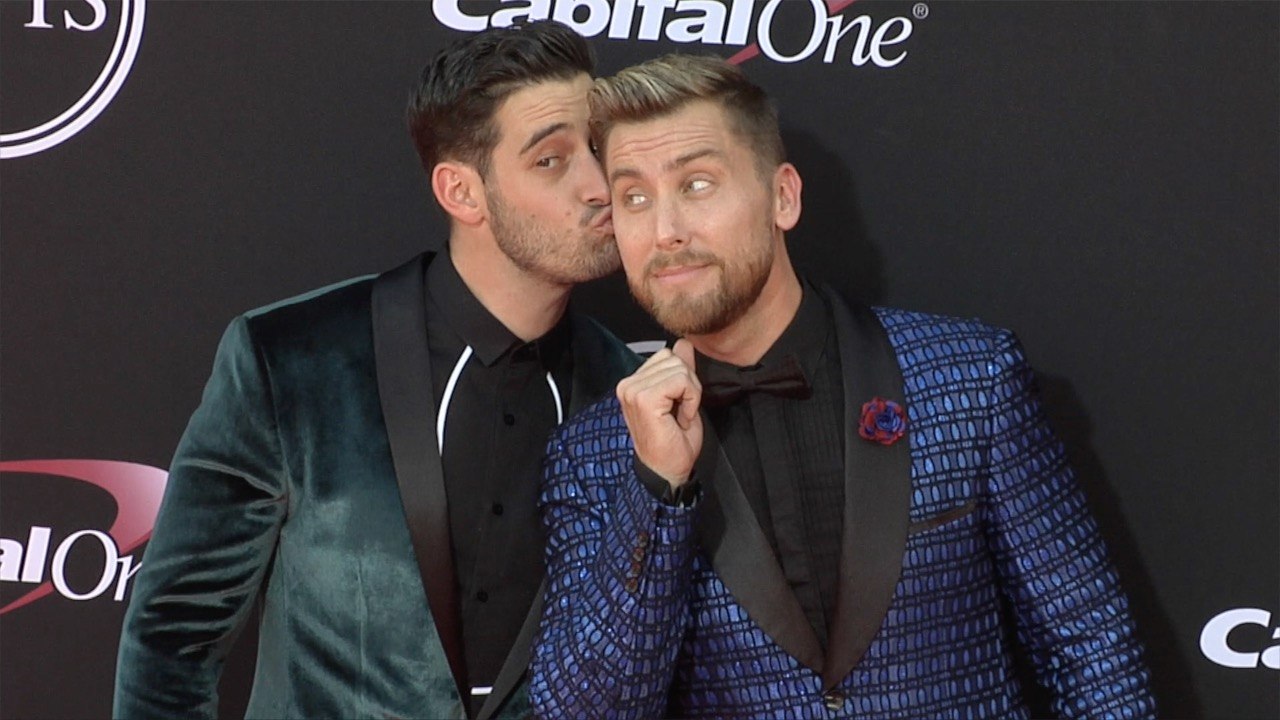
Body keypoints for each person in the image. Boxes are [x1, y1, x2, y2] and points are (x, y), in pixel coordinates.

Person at [530, 54, 1156, 719]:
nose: (666, 230)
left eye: (699, 184)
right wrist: (656, 490)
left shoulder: (972, 381)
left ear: (783, 196)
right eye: (634, 197)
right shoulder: (594, 457)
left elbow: (1092, 653)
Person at [114, 21, 638, 720]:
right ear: (462, 192)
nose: (600, 184)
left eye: (599, 148)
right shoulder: (292, 360)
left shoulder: (620, 384)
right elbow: (172, 636)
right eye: (552, 160)